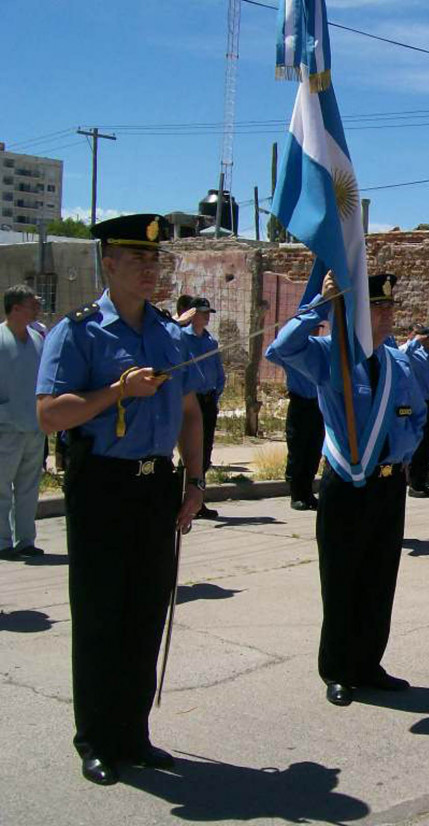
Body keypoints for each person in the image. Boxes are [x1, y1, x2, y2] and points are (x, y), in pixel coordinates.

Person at [36, 214, 205, 786]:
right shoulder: (78, 331)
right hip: (103, 486)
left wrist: (197, 482)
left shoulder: (167, 331)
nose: (150, 271)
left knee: (145, 612)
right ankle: (98, 739)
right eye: (138, 261)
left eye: (156, 261)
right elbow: (49, 415)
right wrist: (117, 391)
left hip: (156, 483)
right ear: (109, 264)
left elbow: (188, 411)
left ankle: (134, 733)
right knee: (102, 614)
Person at [268, 270, 427, 706]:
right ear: (356, 311)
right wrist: (318, 307)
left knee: (379, 578)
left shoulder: (400, 362)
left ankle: (368, 663)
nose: (386, 313)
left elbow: (417, 417)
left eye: (390, 306)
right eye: (377, 305)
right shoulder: (331, 354)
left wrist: (401, 448)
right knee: (341, 579)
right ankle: (338, 668)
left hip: (390, 485)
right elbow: (280, 349)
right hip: (347, 482)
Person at [0, 284, 45, 559]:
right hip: (5, 427)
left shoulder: (37, 338)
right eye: (32, 304)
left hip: (34, 427)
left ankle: (25, 539)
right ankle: (3, 541)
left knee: (28, 488)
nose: (37, 308)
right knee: (1, 488)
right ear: (16, 308)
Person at [265, 338, 324, 510]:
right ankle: (296, 494)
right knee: (298, 449)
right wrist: (290, 336)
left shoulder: (318, 348)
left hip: (317, 404)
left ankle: (308, 492)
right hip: (300, 404)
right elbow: (270, 353)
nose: (312, 331)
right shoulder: (291, 352)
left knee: (314, 449)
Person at [178, 296, 224, 519]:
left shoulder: (210, 342)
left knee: (204, 453)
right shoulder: (181, 339)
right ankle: (182, 497)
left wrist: (216, 394)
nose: (207, 316)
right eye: (203, 312)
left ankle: (199, 499)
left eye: (208, 312)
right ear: (192, 314)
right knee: (188, 450)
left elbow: (218, 371)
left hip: (207, 401)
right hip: (189, 401)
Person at [405, 325, 429, 497]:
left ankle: (421, 482)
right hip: (418, 404)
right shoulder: (413, 354)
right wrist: (416, 341)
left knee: (428, 445)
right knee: (419, 446)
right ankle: (414, 484)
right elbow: (400, 353)